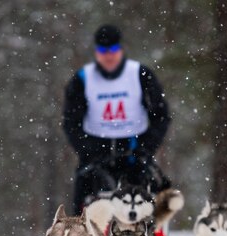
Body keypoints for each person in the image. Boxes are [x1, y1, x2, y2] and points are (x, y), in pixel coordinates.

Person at [63, 24, 171, 214]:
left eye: (113, 49)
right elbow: (71, 123)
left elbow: (161, 116)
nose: (109, 55)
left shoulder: (140, 74)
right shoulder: (82, 79)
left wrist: (146, 149)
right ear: (96, 52)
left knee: (145, 211)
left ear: (120, 49)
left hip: (135, 153)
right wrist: (88, 151)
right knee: (81, 215)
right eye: (103, 50)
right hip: (95, 155)